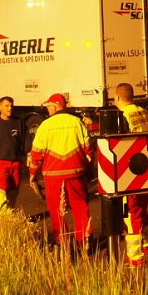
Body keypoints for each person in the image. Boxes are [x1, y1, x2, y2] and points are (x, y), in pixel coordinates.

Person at [28, 93, 92, 248]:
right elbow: (88, 149)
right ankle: (83, 240)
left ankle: (62, 242)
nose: (48, 110)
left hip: (53, 175)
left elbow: (37, 154)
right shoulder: (77, 122)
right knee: (80, 207)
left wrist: (32, 174)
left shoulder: (45, 126)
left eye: (49, 107)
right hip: (76, 173)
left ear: (55, 106)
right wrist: (87, 168)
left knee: (57, 210)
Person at [114, 82, 148, 266]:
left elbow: (120, 145)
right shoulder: (144, 112)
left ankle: (136, 257)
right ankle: (145, 248)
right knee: (141, 211)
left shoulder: (122, 116)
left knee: (130, 215)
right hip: (147, 168)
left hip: (129, 170)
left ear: (118, 97)